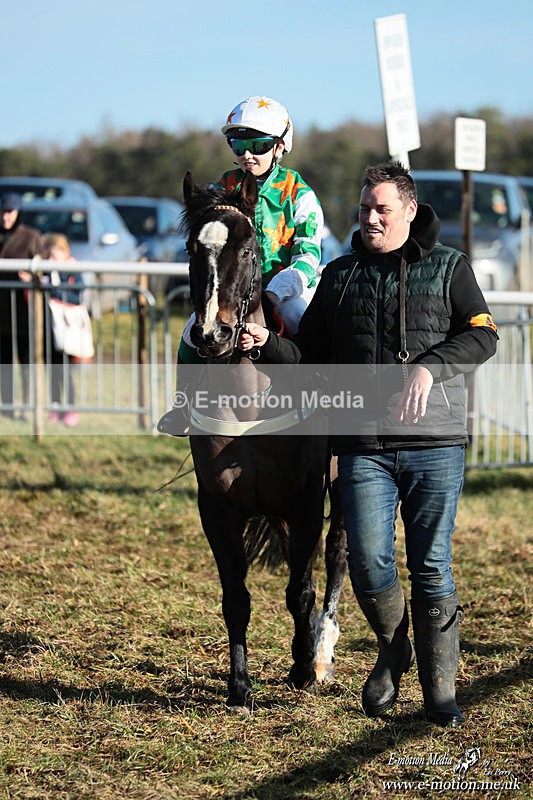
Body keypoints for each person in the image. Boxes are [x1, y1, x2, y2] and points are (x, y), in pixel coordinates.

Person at [237, 161, 498, 727]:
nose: (371, 218)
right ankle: (394, 648)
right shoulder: (340, 275)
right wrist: (267, 344)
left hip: (435, 443)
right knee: (370, 566)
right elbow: (310, 357)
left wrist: (431, 368)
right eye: (363, 210)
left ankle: (440, 691)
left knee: (431, 565)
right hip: (362, 445)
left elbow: (483, 334)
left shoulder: (451, 268)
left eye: (382, 209)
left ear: (409, 209)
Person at [158, 95, 323, 435]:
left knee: (304, 322)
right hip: (233, 289)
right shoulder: (223, 187)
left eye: (258, 144)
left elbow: (309, 256)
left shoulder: (299, 193)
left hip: (286, 287)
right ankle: (182, 405)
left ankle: (323, 401)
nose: (247, 154)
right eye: (238, 144)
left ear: (280, 146)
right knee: (191, 331)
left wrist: (277, 292)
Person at [42, 233, 94, 427]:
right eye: (49, 257)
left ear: (66, 253)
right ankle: (55, 406)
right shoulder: (47, 272)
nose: (51, 261)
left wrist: (54, 291)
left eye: (54, 257)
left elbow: (77, 296)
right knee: (53, 372)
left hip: (68, 331)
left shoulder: (74, 271)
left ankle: (70, 408)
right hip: (51, 330)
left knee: (66, 373)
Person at [0, 192, 43, 418]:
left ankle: (28, 407)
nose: (5, 217)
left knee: (27, 363)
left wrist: (32, 277)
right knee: (4, 365)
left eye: (9, 212)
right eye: (2, 212)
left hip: (25, 311)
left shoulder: (31, 237)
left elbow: (44, 272)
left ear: (17, 213)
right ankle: (7, 408)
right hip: (2, 313)